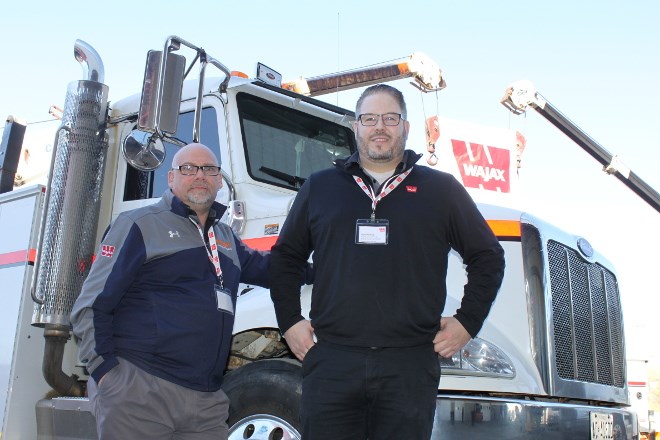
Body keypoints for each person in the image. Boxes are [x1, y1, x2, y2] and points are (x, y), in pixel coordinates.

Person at [269, 84, 506, 439]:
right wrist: (289, 321)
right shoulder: (320, 188)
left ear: (406, 128)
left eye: (390, 118)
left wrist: (467, 322)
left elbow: (488, 256)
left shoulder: (441, 190)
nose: (379, 126)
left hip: (409, 368)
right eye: (369, 118)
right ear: (356, 127)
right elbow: (286, 257)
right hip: (332, 362)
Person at [70, 142, 271, 440]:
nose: (199, 175)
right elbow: (91, 305)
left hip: (206, 400)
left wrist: (335, 262)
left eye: (209, 169)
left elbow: (272, 269)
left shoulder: (225, 237)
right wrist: (107, 374)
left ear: (219, 180)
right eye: (188, 169)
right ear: (171, 178)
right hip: (140, 389)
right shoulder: (139, 224)